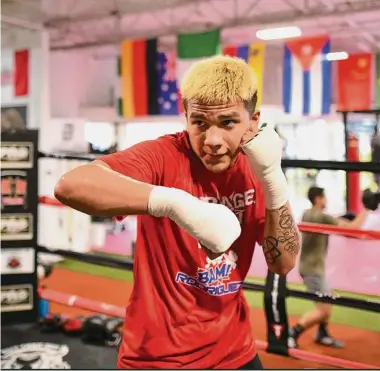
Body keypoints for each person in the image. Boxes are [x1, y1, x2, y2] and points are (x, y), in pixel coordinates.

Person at [55, 55, 301, 369]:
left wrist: (274, 180)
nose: (212, 140)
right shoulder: (164, 156)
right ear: (185, 117)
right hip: (159, 358)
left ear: (253, 121)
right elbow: (70, 185)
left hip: (235, 352)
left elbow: (283, 263)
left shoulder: (255, 169)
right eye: (199, 122)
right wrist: (174, 203)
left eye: (228, 123)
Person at [288, 186, 367, 349]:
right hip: (313, 270)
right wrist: (366, 209)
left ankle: (322, 333)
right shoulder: (320, 216)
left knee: (328, 301)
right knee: (323, 310)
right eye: (324, 197)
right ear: (318, 198)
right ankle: (292, 333)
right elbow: (352, 229)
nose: (326, 200)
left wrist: (344, 218)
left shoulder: (308, 213)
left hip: (312, 268)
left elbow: (334, 221)